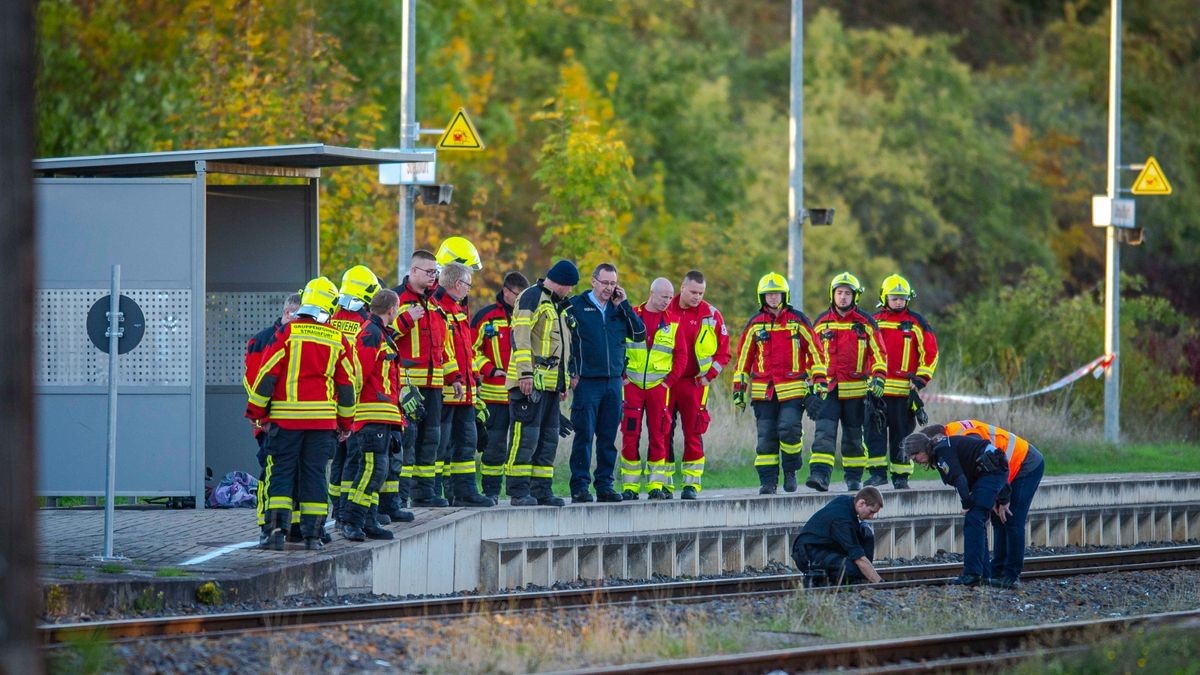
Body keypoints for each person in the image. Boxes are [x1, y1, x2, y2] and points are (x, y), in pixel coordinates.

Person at [246, 277, 356, 551]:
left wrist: (256, 412)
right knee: (315, 476)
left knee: (282, 474)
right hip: (322, 425)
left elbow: (267, 374)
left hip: (286, 422)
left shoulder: (287, 333)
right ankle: (313, 536)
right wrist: (345, 423)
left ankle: (275, 534)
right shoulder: (337, 338)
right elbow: (347, 386)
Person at [732, 273, 827, 494]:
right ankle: (768, 482)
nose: (773, 298)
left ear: (784, 295)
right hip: (763, 392)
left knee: (790, 430)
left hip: (793, 389)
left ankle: (791, 470)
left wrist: (819, 380)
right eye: (768, 294)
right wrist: (739, 389)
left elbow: (815, 351)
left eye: (776, 294)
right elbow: (743, 358)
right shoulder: (755, 324)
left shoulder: (798, 320)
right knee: (766, 437)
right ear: (761, 297)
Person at [921, 421, 1045, 588]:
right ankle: (996, 573)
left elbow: (992, 461)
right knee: (997, 519)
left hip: (1024, 462)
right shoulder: (951, 438)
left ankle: (1011, 576)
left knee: (1012, 518)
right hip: (1005, 469)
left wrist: (1002, 496)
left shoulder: (963, 437)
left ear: (937, 438)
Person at [567, 263, 646, 503]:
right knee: (584, 435)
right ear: (593, 281)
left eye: (613, 284)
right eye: (604, 283)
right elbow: (564, 341)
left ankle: (605, 485)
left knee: (608, 437)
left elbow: (640, 334)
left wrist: (624, 305)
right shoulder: (576, 306)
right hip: (587, 382)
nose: (608, 288)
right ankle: (580, 486)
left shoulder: (618, 308)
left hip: (613, 383)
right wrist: (571, 372)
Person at [505, 260, 579, 506]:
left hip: (549, 385)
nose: (570, 292)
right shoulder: (532, 297)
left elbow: (563, 348)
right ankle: (518, 491)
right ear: (561, 283)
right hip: (529, 383)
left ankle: (541, 490)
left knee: (548, 441)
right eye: (569, 287)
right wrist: (525, 374)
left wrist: (563, 383)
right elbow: (521, 337)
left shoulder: (558, 305)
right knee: (525, 438)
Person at [808, 272, 887, 493]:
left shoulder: (865, 323)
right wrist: (811, 383)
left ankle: (853, 478)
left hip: (856, 390)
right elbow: (810, 355)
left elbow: (879, 354)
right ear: (832, 295)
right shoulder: (821, 323)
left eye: (847, 293)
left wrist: (879, 378)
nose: (843, 297)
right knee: (824, 433)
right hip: (828, 390)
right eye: (839, 293)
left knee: (853, 436)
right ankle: (820, 476)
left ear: (855, 297)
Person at [902, 430, 1013, 586]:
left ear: (925, 447)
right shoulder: (941, 448)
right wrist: (1003, 496)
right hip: (990, 471)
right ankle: (984, 575)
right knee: (977, 521)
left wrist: (966, 504)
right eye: (912, 457)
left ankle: (972, 574)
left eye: (916, 454)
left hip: (990, 472)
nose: (915, 459)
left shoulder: (941, 451)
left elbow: (959, 478)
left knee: (974, 518)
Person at [341, 289, 406, 542]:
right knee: (372, 470)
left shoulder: (380, 333)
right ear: (392, 309)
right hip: (370, 414)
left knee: (378, 470)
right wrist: (349, 412)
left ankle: (368, 520)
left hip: (383, 414)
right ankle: (352, 520)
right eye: (397, 308)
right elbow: (358, 373)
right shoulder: (371, 333)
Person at [865, 274, 938, 490]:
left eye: (902, 298)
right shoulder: (873, 320)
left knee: (903, 436)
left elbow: (931, 353)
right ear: (884, 297)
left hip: (905, 393)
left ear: (908, 299)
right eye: (894, 297)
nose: (898, 301)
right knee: (874, 435)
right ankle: (877, 475)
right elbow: (864, 352)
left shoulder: (917, 322)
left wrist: (920, 379)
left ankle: (901, 476)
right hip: (876, 392)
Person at [390, 250, 450, 508]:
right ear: (413, 271)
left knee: (431, 440)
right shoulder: (396, 299)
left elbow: (443, 344)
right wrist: (405, 320)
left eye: (435, 272)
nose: (432, 277)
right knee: (408, 440)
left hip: (435, 384)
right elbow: (380, 336)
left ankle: (424, 494)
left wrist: (454, 376)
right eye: (428, 272)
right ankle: (400, 496)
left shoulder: (435, 302)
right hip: (407, 386)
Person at [620, 277, 688, 500]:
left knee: (659, 435)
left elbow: (681, 356)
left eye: (670, 297)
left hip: (659, 388)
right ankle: (630, 487)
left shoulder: (674, 322)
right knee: (630, 435)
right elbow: (618, 345)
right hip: (632, 386)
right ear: (652, 293)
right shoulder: (631, 315)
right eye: (663, 296)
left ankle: (655, 486)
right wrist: (623, 376)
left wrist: (669, 382)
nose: (667, 301)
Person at [665, 270, 731, 499]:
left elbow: (724, 354)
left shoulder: (711, 315)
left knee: (693, 432)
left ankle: (691, 484)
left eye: (701, 293)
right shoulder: (665, 308)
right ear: (682, 288)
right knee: (663, 431)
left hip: (695, 383)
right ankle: (663, 483)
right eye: (693, 291)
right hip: (666, 383)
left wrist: (708, 376)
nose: (697, 297)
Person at [432, 261, 494, 507]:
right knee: (442, 446)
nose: (470, 289)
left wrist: (474, 380)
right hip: (449, 391)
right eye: (468, 284)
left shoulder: (457, 309)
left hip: (465, 391)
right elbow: (442, 348)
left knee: (466, 444)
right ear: (457, 283)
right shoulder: (440, 309)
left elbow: (467, 351)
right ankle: (437, 492)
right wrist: (455, 377)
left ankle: (465, 492)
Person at [244, 292, 300, 546]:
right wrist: (262, 416)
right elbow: (253, 380)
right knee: (270, 474)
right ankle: (266, 525)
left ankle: (295, 525)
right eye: (297, 315)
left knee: (296, 473)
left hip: (294, 421)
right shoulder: (264, 340)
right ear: (287, 313)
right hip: (270, 421)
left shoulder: (297, 336)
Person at [472, 271, 530, 500]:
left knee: (522, 446)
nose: (521, 300)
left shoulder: (527, 315)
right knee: (494, 447)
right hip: (494, 396)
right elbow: (471, 350)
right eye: (518, 295)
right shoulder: (486, 317)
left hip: (522, 395)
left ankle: (518, 492)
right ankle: (491, 492)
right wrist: (489, 369)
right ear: (506, 291)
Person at [327, 265, 377, 525]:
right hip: (353, 402)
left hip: (328, 402)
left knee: (338, 458)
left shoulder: (330, 319)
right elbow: (359, 368)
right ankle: (346, 509)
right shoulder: (364, 325)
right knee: (353, 458)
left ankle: (337, 508)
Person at [791, 487, 884, 585]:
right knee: (853, 569)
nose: (871, 517)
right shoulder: (842, 521)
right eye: (871, 512)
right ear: (861, 503)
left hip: (824, 548)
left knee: (866, 532)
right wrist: (880, 582)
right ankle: (818, 579)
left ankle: (862, 575)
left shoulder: (845, 501)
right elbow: (858, 557)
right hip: (809, 555)